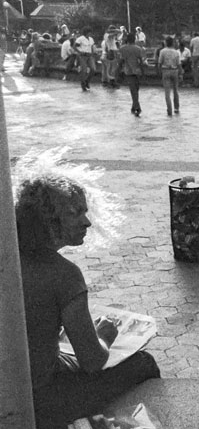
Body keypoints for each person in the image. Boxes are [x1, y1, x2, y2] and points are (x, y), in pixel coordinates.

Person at [15, 174, 160, 429]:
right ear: (48, 221)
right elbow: (93, 361)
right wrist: (104, 335)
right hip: (41, 399)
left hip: (11, 388)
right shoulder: (65, 275)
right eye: (75, 213)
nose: (88, 222)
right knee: (144, 364)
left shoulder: (9, 259)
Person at [119, 32, 146, 117]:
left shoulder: (123, 49)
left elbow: (121, 61)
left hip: (128, 71)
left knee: (133, 90)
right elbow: (141, 62)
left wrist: (118, 71)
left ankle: (135, 107)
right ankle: (137, 107)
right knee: (136, 90)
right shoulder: (138, 49)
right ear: (134, 39)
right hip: (137, 71)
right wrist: (143, 72)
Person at [157, 36, 183, 116]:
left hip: (165, 71)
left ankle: (169, 110)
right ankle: (176, 108)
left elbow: (159, 63)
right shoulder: (176, 52)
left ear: (166, 43)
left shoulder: (162, 51)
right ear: (172, 43)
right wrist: (181, 74)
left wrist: (159, 72)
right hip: (174, 71)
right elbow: (179, 64)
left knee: (167, 93)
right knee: (176, 90)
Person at [75, 27, 96, 91]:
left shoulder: (91, 39)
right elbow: (75, 46)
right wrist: (80, 52)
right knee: (83, 70)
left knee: (93, 69)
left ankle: (87, 81)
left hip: (89, 55)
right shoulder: (80, 39)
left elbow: (92, 46)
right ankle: (83, 84)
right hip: (82, 55)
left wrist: (93, 53)